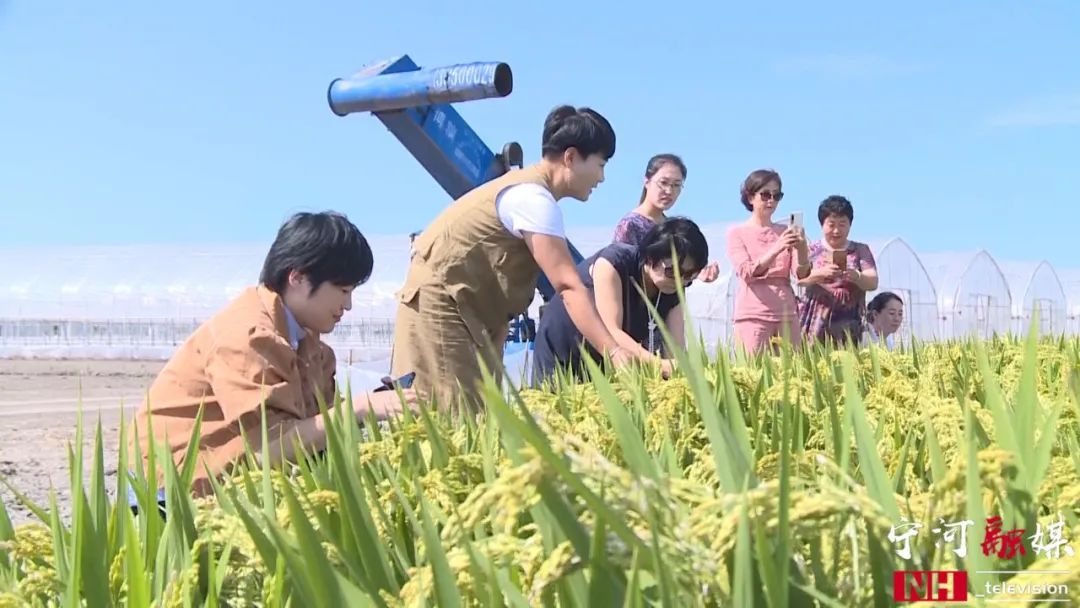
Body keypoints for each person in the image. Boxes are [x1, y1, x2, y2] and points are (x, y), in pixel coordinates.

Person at [129, 211, 418, 498]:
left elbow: (316, 422)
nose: (349, 305)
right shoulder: (248, 336)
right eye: (343, 290)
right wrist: (362, 407)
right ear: (297, 277)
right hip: (172, 490)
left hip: (225, 477)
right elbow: (268, 448)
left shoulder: (306, 341)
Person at [390, 105, 635, 412]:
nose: (601, 177)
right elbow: (569, 287)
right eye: (600, 164)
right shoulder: (533, 200)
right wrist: (612, 352)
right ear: (571, 158)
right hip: (442, 307)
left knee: (483, 420)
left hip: (473, 317)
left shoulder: (530, 193)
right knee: (450, 419)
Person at [532, 217, 709, 387]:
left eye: (689, 275)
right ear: (651, 256)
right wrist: (659, 364)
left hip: (609, 361)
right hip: (566, 348)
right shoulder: (615, 262)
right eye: (672, 272)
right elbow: (611, 330)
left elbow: (675, 349)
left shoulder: (675, 288)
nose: (680, 280)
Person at [725, 169, 811, 355]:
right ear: (750, 197)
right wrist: (777, 247)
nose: (771, 200)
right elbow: (747, 271)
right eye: (765, 195)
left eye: (776, 195)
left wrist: (802, 248)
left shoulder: (785, 231)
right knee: (753, 374)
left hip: (787, 314)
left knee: (792, 375)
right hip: (753, 315)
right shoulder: (737, 233)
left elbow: (801, 274)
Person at [611, 154, 720, 282]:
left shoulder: (672, 227)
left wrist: (694, 274)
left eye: (676, 185)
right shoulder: (630, 225)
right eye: (663, 183)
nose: (669, 191)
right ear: (647, 182)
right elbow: (618, 270)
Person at [796, 195, 879, 346]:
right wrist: (820, 274)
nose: (836, 230)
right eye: (831, 224)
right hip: (815, 322)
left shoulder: (860, 250)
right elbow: (799, 280)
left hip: (849, 323)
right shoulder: (811, 249)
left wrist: (857, 276)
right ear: (822, 225)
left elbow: (872, 281)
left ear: (850, 225)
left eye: (842, 224)